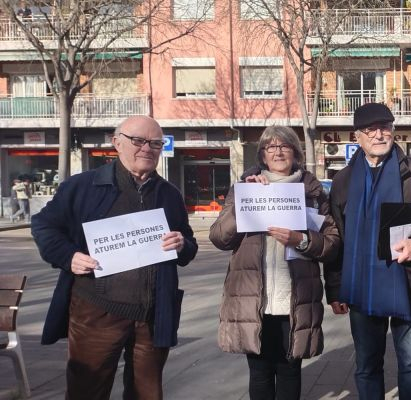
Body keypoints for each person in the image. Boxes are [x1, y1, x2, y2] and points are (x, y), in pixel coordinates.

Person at [30, 115, 198, 399]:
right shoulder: (83, 186)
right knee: (88, 390)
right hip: (97, 311)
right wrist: (68, 255)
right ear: (116, 142)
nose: (147, 148)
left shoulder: (169, 194)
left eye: (155, 143)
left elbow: (188, 242)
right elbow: (44, 225)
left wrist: (182, 244)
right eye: (138, 141)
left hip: (153, 315)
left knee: (147, 394)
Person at [209, 126, 340, 400]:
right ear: (263, 155)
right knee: (259, 373)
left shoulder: (313, 192)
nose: (278, 151)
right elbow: (220, 238)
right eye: (271, 147)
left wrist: (301, 240)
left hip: (295, 298)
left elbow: (332, 243)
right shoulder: (244, 188)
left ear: (295, 153)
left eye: (285, 146)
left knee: (290, 371)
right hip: (253, 298)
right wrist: (246, 202)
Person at [324, 103, 411, 400]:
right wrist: (335, 289)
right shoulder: (343, 181)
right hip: (361, 287)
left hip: (407, 282)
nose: (380, 134)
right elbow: (337, 237)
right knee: (366, 366)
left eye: (385, 127)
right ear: (358, 137)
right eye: (371, 129)